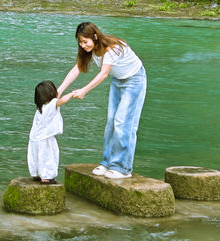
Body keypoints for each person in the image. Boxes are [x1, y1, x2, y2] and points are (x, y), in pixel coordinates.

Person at [57, 21, 146, 179]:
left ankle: (123, 168)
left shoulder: (111, 48)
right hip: (118, 80)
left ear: (95, 37)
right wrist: (59, 90)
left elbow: (103, 74)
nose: (83, 46)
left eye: (85, 42)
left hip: (134, 80)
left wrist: (84, 90)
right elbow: (76, 69)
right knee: (111, 121)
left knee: (123, 123)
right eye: (80, 42)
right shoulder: (90, 50)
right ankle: (107, 163)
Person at [27, 80, 74, 183]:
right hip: (45, 137)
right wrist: (71, 94)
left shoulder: (40, 107)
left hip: (34, 137)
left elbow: (58, 95)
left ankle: (36, 174)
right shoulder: (52, 104)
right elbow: (61, 100)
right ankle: (46, 177)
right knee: (48, 156)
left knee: (35, 156)